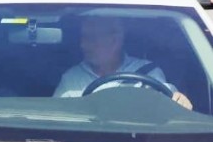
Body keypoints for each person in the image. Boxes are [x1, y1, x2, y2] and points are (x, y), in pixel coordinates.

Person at [53, 16, 193, 110]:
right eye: (82, 38)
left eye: (91, 38)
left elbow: (171, 105)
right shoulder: (72, 78)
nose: (83, 45)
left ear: (115, 40)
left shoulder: (148, 72)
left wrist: (180, 102)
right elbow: (57, 118)